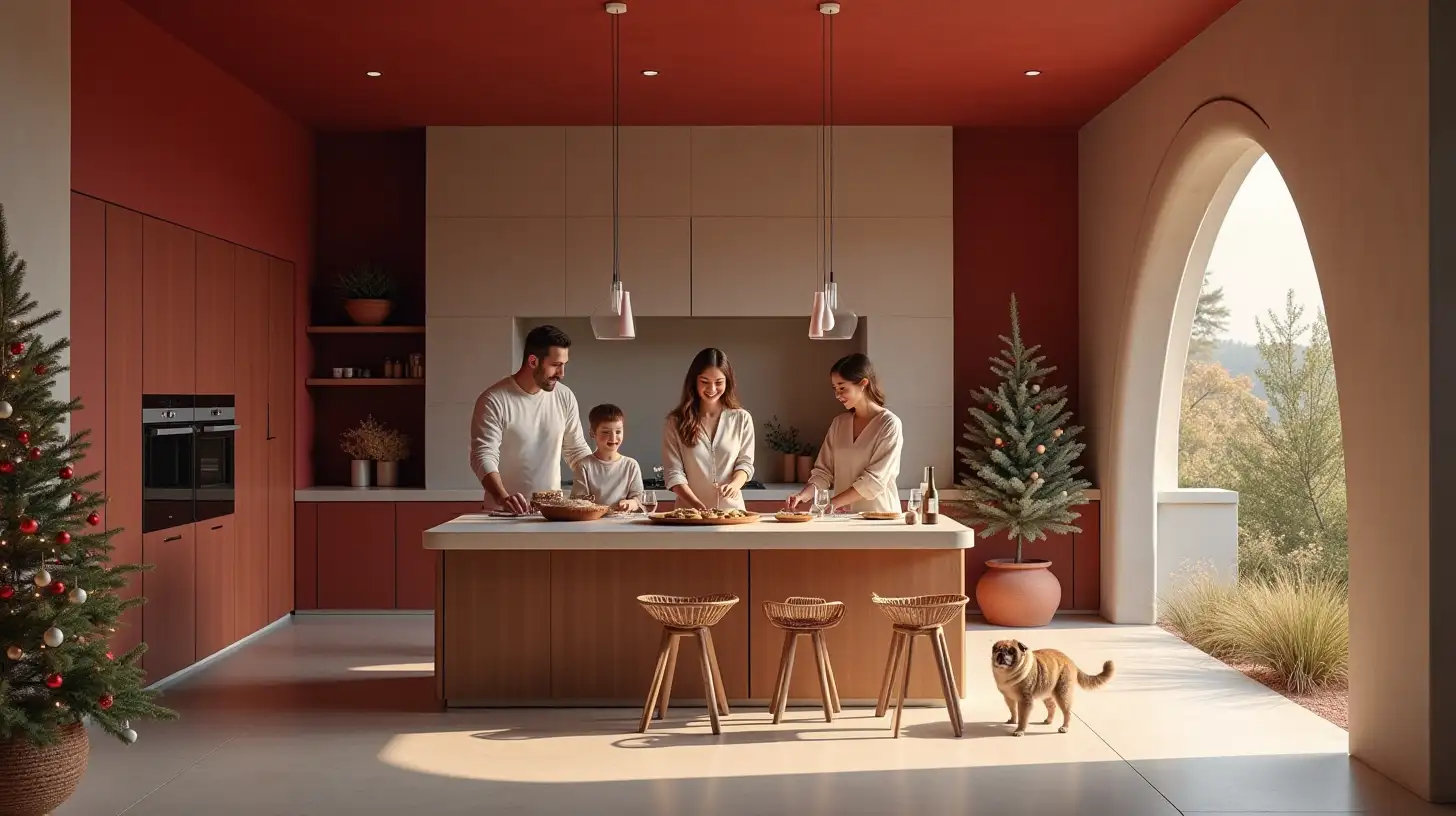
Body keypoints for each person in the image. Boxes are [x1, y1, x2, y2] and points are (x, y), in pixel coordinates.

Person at [470, 324, 593, 514]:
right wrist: (503, 498)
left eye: (564, 365)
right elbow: (483, 456)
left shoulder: (565, 396)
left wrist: (607, 477)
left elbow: (576, 450)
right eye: (555, 365)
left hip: (551, 513)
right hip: (504, 513)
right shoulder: (494, 400)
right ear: (533, 361)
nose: (562, 374)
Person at [788, 353, 904, 514]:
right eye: (835, 388)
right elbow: (823, 472)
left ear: (863, 383)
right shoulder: (839, 423)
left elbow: (874, 480)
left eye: (842, 388)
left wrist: (831, 503)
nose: (837, 395)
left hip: (880, 517)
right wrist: (803, 495)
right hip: (843, 518)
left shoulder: (889, 424)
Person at [662, 347, 756, 511]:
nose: (712, 389)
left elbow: (745, 464)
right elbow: (673, 473)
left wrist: (734, 485)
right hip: (689, 514)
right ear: (694, 381)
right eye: (704, 382)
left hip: (732, 514)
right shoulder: (675, 422)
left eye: (719, 382)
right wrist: (697, 506)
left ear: (728, 382)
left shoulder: (741, 419)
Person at [570, 403, 645, 512]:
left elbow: (638, 499)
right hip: (592, 526)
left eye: (618, 431)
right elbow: (578, 503)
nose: (613, 437)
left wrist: (631, 503)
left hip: (624, 525)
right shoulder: (584, 466)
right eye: (606, 432)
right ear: (592, 433)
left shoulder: (631, 465)